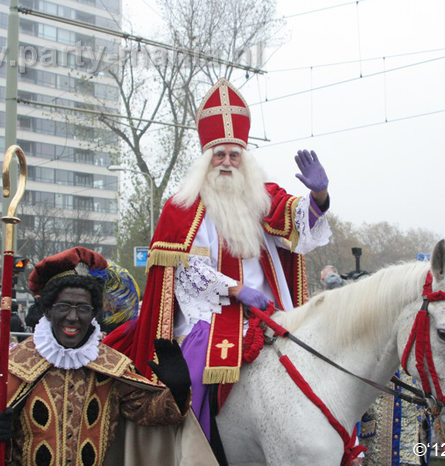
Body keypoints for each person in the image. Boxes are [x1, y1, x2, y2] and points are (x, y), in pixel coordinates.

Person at [104, 77, 332, 443]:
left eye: (234, 154)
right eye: (219, 155)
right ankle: (187, 445)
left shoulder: (264, 195)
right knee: (192, 376)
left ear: (244, 158)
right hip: (209, 313)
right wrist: (237, 289)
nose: (227, 162)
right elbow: (183, 270)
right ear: (208, 159)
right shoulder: (184, 205)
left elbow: (301, 226)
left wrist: (319, 194)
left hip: (271, 310)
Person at [0, 246, 215, 466]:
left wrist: (178, 392)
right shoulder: (18, 364)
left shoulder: (111, 363)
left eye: (83, 308)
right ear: (47, 310)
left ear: (94, 313)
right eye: (63, 306)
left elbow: (147, 415)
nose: (73, 317)